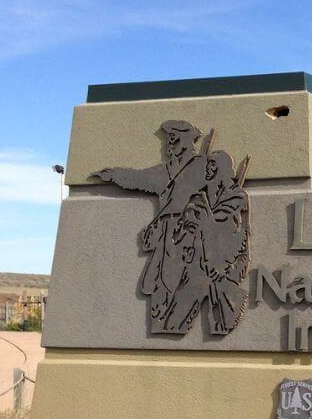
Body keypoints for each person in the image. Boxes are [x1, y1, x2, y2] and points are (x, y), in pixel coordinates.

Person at [92, 120, 251, 334]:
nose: (169, 144)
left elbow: (220, 209)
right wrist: (113, 175)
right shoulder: (166, 171)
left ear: (187, 141)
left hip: (194, 247)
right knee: (161, 298)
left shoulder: (203, 167)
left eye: (175, 139)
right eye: (169, 139)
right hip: (169, 243)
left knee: (184, 300)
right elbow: (137, 178)